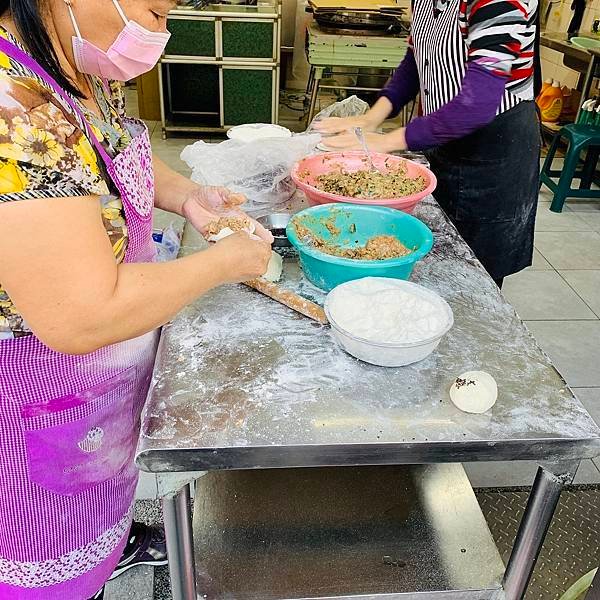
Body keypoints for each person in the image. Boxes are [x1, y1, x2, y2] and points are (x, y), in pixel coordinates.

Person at [0, 1, 273, 598]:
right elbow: (83, 313)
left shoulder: (75, 61)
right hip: (35, 394)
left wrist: (189, 198)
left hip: (100, 383)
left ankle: (110, 544)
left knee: (104, 491)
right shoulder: (11, 112)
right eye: (154, 10)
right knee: (45, 548)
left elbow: (118, 157)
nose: (161, 27)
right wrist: (224, 264)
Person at [317, 0, 541, 288]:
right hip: (441, 134)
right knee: (435, 259)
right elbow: (416, 60)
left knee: (473, 277)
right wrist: (370, 119)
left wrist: (386, 142)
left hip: (493, 151)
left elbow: (477, 105)